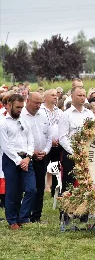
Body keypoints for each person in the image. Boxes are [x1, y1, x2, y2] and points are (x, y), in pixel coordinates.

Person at [0, 94, 36, 230]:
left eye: (21, 107)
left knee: (32, 189)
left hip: (26, 158)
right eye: (17, 107)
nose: (20, 110)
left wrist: (28, 157)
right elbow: (5, 146)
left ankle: (23, 216)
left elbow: (31, 140)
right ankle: (12, 220)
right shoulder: (3, 123)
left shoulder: (25, 121)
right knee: (13, 191)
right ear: (9, 105)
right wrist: (19, 161)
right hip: (11, 160)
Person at [21, 93, 52, 223]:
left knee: (40, 187)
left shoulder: (44, 114)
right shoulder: (21, 115)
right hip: (25, 156)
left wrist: (45, 151)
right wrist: (31, 152)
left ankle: (36, 216)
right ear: (28, 101)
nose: (38, 106)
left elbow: (49, 136)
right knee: (28, 188)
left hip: (41, 156)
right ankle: (23, 215)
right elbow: (18, 139)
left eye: (40, 103)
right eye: (36, 103)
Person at [59, 86, 95, 193]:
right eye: (79, 95)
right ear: (72, 96)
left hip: (87, 154)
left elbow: (93, 134)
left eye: (84, 95)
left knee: (87, 182)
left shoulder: (89, 114)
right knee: (69, 183)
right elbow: (63, 137)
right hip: (71, 155)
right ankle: (66, 208)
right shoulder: (66, 115)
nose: (82, 98)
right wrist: (75, 152)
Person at [41, 89, 63, 195]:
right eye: (52, 95)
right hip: (44, 146)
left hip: (58, 146)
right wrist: (49, 141)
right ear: (45, 98)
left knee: (56, 167)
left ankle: (55, 190)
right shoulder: (40, 111)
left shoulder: (59, 112)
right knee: (42, 168)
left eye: (56, 95)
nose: (55, 97)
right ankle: (40, 189)